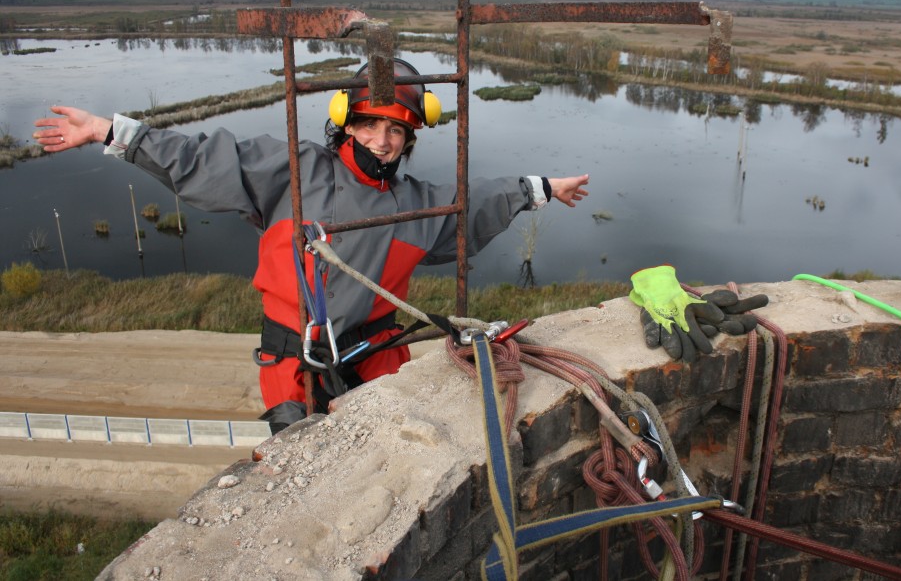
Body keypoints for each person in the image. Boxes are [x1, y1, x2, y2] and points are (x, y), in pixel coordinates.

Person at [33, 58, 590, 432]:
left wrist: (538, 189)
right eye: (372, 125)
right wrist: (113, 132)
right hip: (293, 365)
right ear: (347, 124)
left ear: (409, 139)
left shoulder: (415, 207)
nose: (383, 141)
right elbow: (203, 161)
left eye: (397, 131)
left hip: (377, 362)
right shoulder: (296, 175)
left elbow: (473, 206)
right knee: (298, 464)